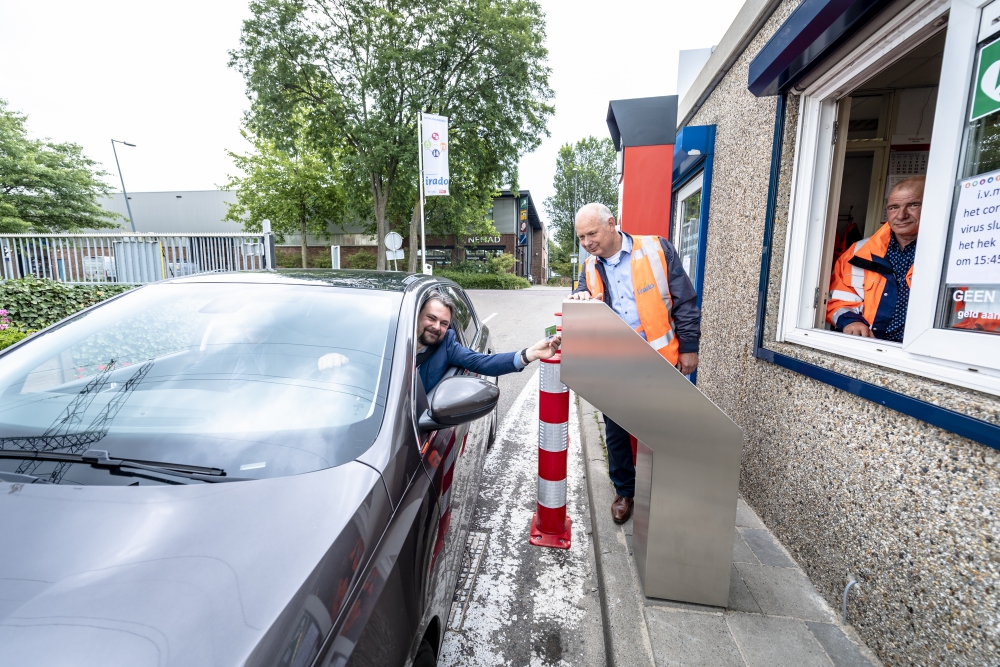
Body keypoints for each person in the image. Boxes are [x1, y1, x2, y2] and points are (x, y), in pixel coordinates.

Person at [568, 203, 702, 524]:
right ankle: (625, 491)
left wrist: (689, 347)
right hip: (616, 363)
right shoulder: (589, 267)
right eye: (581, 237)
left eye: (592, 234)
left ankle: (670, 493)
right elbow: (582, 292)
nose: (586, 242)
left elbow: (685, 300)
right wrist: (580, 295)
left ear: (611, 224)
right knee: (615, 431)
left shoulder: (657, 249)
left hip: (661, 360)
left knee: (664, 428)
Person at [827, 176, 923, 341]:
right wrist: (851, 322)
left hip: (923, 352)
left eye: (913, 205)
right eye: (894, 207)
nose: (901, 215)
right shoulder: (858, 251)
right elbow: (838, 299)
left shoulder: (954, 253)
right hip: (869, 346)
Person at [416, 291, 560, 393]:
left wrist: (530, 353)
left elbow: (484, 363)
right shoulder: (395, 341)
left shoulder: (447, 345)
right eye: (431, 318)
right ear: (417, 315)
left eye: (444, 323)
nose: (436, 327)